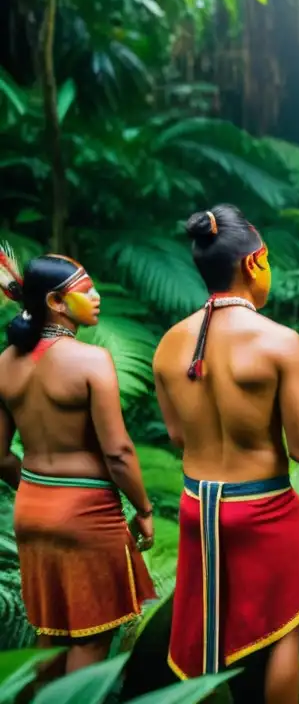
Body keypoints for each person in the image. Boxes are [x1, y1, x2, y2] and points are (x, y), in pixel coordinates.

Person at [152, 205, 299, 701]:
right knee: (283, 633)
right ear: (253, 263)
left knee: (205, 633)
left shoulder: (168, 345)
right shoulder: (280, 343)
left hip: (196, 508)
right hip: (263, 508)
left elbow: (179, 437)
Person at [0, 246, 156, 678]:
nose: (97, 297)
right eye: (86, 290)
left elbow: (0, 456)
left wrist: (38, 489)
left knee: (50, 633)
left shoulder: (4, 364)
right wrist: (143, 510)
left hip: (30, 511)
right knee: (90, 636)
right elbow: (119, 452)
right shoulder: (90, 361)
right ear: (55, 302)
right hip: (86, 517)